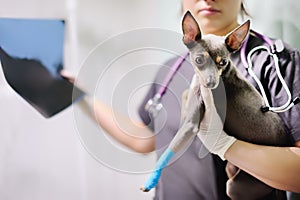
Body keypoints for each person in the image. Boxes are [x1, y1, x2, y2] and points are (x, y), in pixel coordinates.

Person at [78, 0, 300, 199]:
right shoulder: (170, 71)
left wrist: (225, 146)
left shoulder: (277, 62)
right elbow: (146, 138)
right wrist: (79, 98)